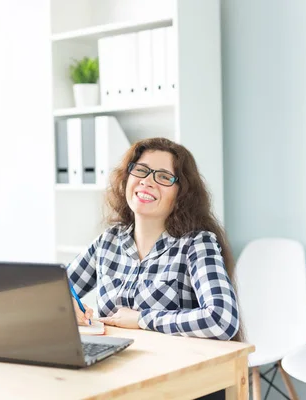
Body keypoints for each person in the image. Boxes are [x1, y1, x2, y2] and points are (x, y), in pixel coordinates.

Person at [67, 137, 242, 400]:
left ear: (181, 193)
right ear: (127, 179)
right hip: (119, 374)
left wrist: (141, 319)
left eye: (163, 177)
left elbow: (222, 320)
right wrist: (69, 307)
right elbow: (57, 290)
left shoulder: (197, 244)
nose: (147, 181)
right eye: (140, 170)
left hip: (179, 380)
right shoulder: (109, 241)